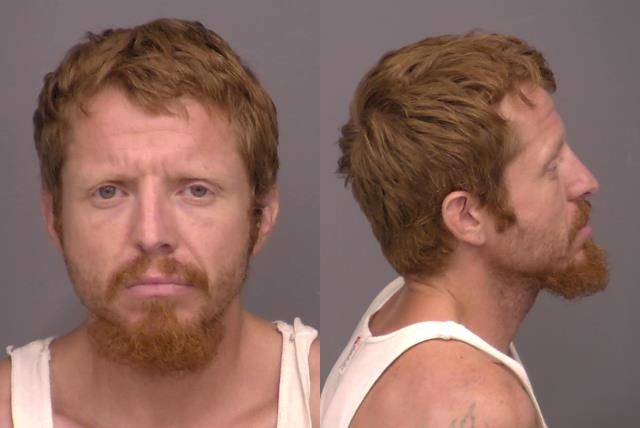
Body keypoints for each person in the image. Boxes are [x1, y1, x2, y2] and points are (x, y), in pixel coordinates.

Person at [0, 18, 319, 428]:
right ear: (54, 217)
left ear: (262, 214)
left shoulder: (332, 403)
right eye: (109, 192)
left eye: (197, 191)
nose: (152, 235)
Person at [322, 32, 608, 428]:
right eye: (550, 167)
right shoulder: (475, 403)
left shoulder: (397, 307)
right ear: (467, 216)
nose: (587, 181)